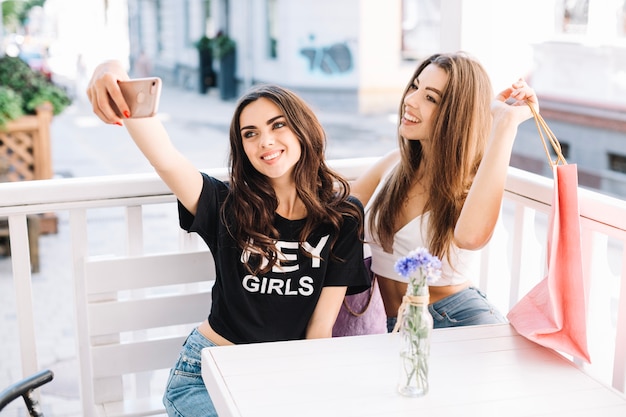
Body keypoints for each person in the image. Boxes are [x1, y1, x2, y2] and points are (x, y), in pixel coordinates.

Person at [86, 60, 371, 417]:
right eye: (250, 133)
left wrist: (309, 391)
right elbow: (166, 159)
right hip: (206, 377)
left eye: (277, 125)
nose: (265, 141)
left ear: (303, 130)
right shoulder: (226, 204)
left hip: (280, 376)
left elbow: (320, 325)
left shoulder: (341, 216)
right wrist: (111, 71)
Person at [351, 52, 539, 332]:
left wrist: (505, 123)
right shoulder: (393, 166)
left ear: (456, 113)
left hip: (458, 322)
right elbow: (334, 215)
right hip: (401, 326)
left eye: (430, 98)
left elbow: (471, 237)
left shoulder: (469, 181)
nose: (410, 100)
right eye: (415, 87)